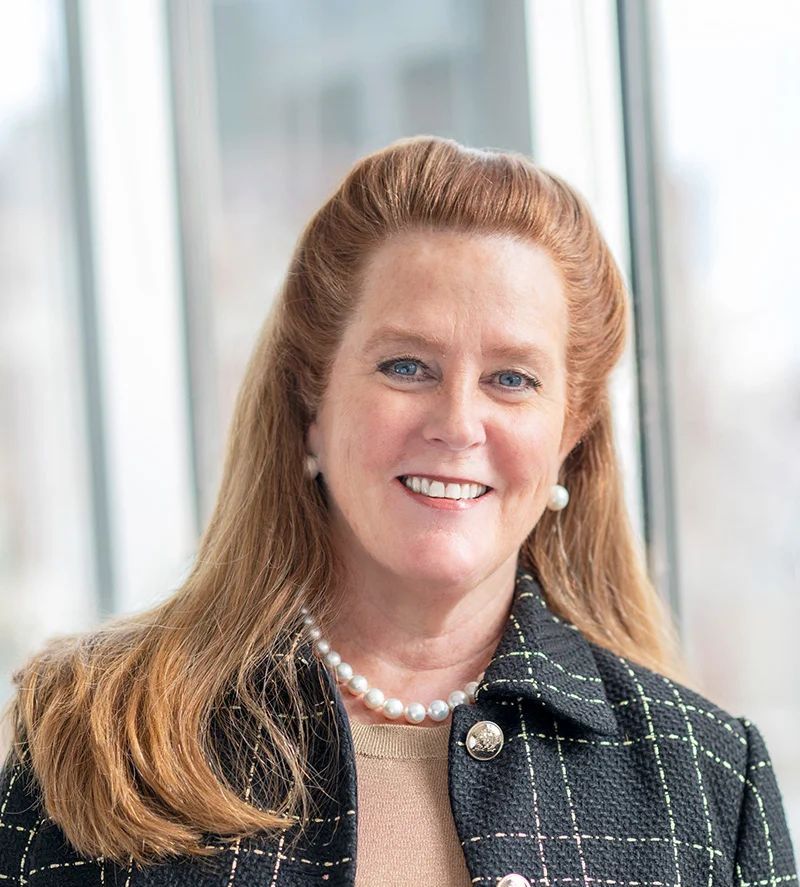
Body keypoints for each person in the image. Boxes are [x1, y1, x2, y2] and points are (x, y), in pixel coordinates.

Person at [0, 136, 796, 887]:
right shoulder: (94, 735)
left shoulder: (711, 783)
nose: (456, 422)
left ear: (570, 436)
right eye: (407, 365)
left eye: (512, 378)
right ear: (312, 399)